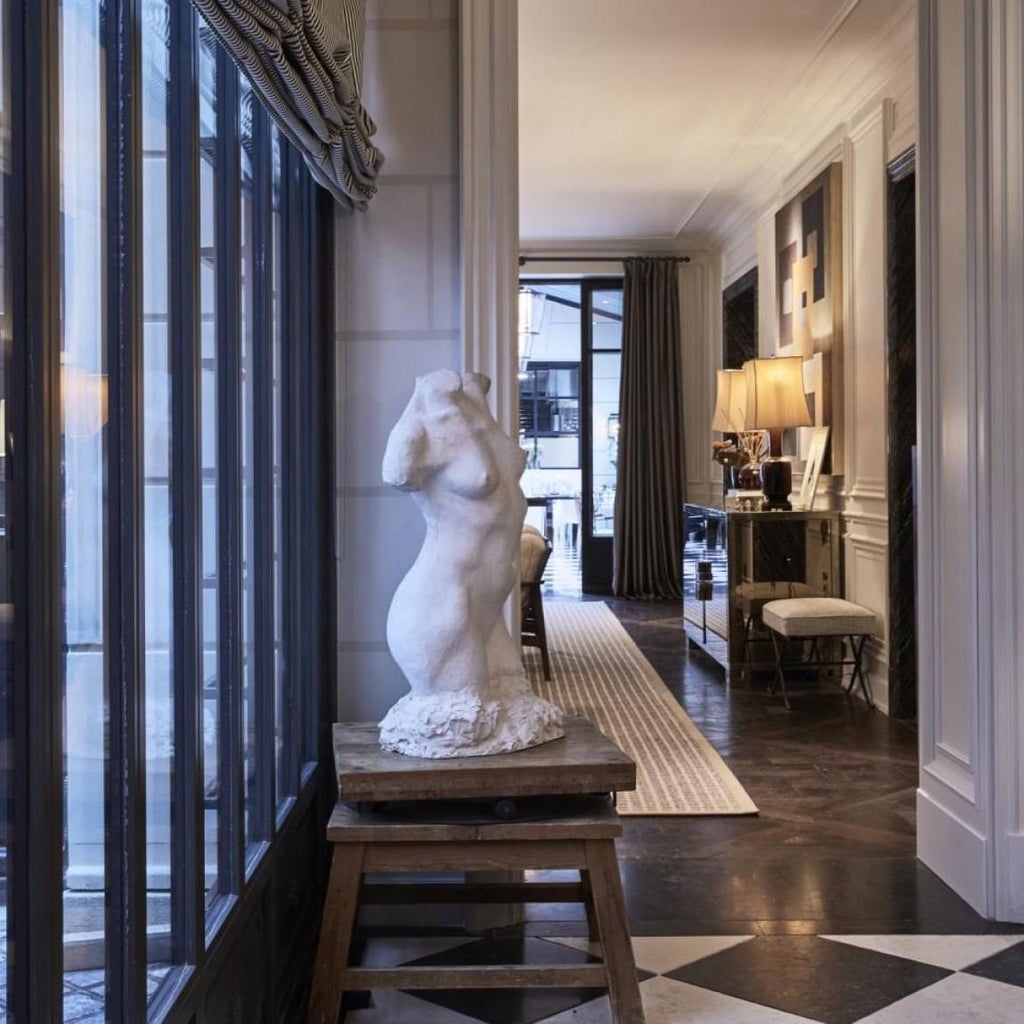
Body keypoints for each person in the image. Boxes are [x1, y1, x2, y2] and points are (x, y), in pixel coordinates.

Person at [379, 370, 564, 758]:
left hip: (486, 612)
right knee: (468, 726)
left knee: (519, 718)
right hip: (439, 613)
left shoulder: (476, 401)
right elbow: (395, 473)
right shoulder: (416, 429)